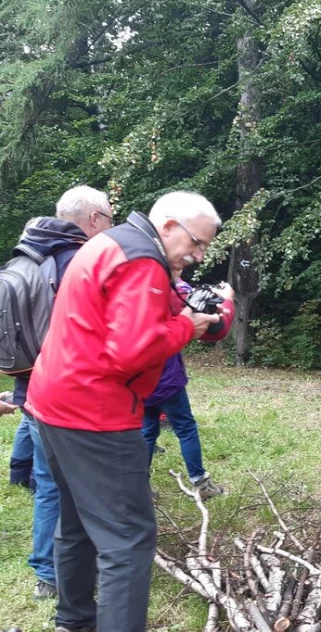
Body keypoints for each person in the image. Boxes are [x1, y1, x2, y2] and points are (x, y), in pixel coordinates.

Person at [25, 191, 224, 632]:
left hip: (51, 401)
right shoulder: (141, 261)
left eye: (206, 246)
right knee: (128, 540)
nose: (199, 254)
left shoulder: (112, 241)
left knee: (76, 522)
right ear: (168, 225)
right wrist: (187, 326)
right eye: (197, 242)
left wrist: (185, 308)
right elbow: (131, 352)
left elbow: (121, 316)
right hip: (94, 412)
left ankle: (74, 622)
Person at [8, 186, 114, 600]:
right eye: (108, 217)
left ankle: (46, 574)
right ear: (92, 219)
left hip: (30, 386)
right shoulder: (81, 260)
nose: (110, 225)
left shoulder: (26, 255)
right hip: (73, 391)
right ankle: (94, 565)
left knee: (49, 484)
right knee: (89, 483)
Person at [141, 273, 233, 499]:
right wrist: (227, 300)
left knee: (147, 430)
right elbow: (217, 330)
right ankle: (201, 484)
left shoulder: (140, 285)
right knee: (186, 427)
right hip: (166, 378)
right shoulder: (177, 292)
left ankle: (139, 487)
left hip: (141, 375)